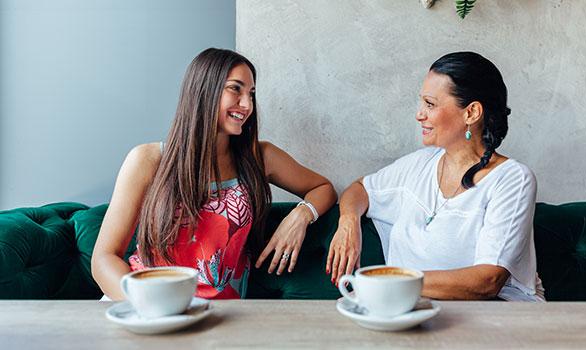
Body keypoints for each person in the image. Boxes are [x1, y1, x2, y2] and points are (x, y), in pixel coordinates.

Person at [92, 48, 337, 300]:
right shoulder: (148, 159)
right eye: (236, 89)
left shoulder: (259, 157)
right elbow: (104, 258)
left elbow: (323, 188)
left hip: (220, 315)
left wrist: (300, 215)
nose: (247, 104)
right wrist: (146, 305)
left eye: (251, 94)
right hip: (142, 305)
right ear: (204, 91)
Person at [327, 51, 544, 301]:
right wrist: (348, 222)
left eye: (430, 104)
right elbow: (360, 189)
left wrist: (388, 280)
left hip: (492, 317)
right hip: (410, 312)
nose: (420, 114)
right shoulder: (419, 164)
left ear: (471, 113)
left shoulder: (512, 179)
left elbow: (488, 281)